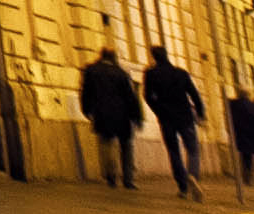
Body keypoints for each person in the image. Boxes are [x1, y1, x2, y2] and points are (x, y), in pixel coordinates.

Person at [142, 45, 207, 199]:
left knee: (174, 152)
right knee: (192, 149)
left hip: (166, 119)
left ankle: (183, 187)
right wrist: (201, 113)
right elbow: (194, 95)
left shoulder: (151, 74)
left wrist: (158, 110)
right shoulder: (181, 73)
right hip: (185, 117)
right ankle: (193, 176)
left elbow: (147, 97)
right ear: (167, 54)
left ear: (153, 57)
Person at [79, 44, 146, 188]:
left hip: (101, 113)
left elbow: (86, 92)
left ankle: (111, 176)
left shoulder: (91, 71)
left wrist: (86, 109)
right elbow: (131, 97)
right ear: (114, 58)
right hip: (123, 115)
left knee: (106, 143)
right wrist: (137, 117)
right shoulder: (121, 73)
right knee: (126, 146)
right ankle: (128, 179)